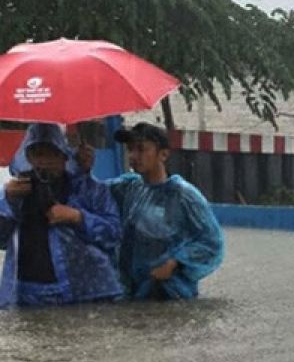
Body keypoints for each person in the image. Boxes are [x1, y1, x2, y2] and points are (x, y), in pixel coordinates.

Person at [78, 122, 223, 300]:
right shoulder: (128, 187)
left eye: (141, 149)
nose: (133, 156)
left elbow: (211, 241)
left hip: (169, 290)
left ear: (163, 154)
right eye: (130, 149)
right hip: (131, 289)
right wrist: (85, 170)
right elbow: (93, 196)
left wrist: (174, 263)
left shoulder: (184, 195)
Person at [0, 123, 123, 307]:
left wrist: (77, 217)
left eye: (52, 153)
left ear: (64, 156)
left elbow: (114, 235)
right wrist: (8, 201)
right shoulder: (16, 191)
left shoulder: (89, 190)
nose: (45, 161)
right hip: (26, 295)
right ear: (28, 157)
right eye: (38, 154)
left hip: (86, 293)